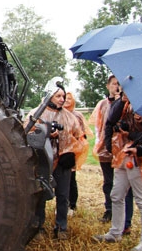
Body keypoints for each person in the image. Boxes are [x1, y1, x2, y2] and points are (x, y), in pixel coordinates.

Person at [94, 95, 142, 251]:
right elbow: (111, 120)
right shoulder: (126, 106)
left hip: (138, 159)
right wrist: (122, 100)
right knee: (116, 194)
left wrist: (132, 136)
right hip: (123, 155)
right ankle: (115, 232)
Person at [28, 82, 84, 240]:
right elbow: (26, 131)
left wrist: (71, 153)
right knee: (40, 194)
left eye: (63, 96)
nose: (61, 99)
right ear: (49, 96)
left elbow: (79, 137)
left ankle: (61, 227)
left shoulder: (69, 116)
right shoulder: (37, 113)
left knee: (63, 196)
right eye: (58, 96)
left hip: (62, 162)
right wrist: (45, 133)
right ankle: (38, 227)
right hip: (42, 161)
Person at [89, 75, 133, 231]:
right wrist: (102, 143)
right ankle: (109, 209)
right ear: (108, 86)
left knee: (124, 185)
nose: (117, 87)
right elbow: (99, 126)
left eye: (119, 84)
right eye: (114, 84)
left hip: (124, 148)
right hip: (107, 148)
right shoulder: (102, 105)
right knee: (108, 182)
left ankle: (125, 221)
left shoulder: (128, 103)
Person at [63, 91, 92, 215]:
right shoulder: (59, 114)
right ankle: (64, 204)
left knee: (71, 178)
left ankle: (72, 204)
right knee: (63, 178)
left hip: (73, 150)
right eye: (65, 98)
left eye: (69, 99)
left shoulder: (77, 115)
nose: (67, 101)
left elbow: (82, 134)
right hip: (62, 150)